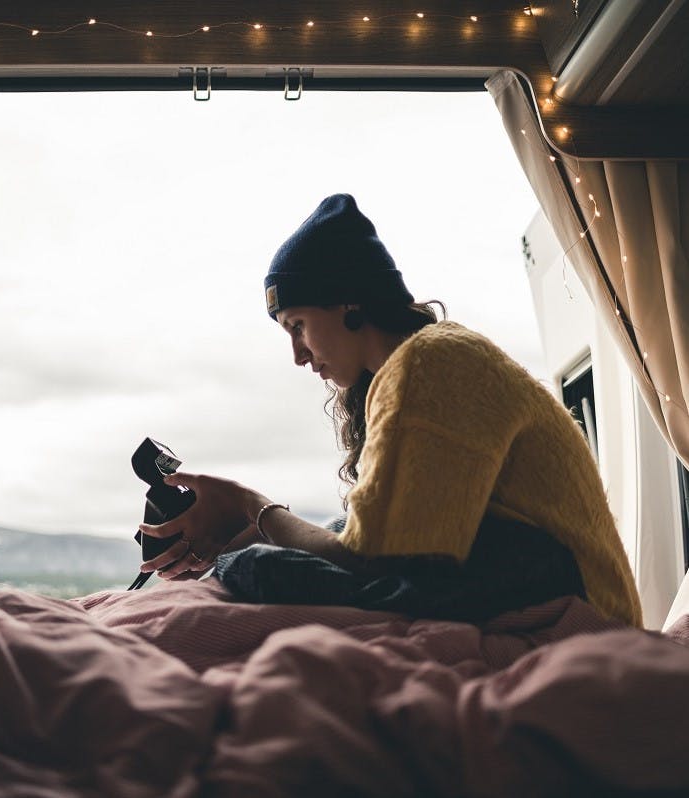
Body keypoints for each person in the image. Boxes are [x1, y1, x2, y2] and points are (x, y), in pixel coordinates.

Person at [139, 194, 643, 627]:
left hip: (578, 604)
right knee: (262, 554)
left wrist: (249, 505)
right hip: (541, 580)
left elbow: (368, 556)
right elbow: (375, 536)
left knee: (259, 568)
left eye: (297, 326)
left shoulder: (432, 362)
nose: (297, 355)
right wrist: (231, 532)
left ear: (347, 303)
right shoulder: (426, 362)